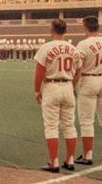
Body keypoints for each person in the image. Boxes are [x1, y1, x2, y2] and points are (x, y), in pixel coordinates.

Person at [34, 18, 82, 172]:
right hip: (67, 86)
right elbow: (79, 71)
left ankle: (54, 162)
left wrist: (37, 90)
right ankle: (70, 159)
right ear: (65, 31)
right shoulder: (73, 48)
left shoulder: (47, 47)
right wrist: (71, 84)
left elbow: (39, 71)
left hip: (52, 86)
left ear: (51, 30)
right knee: (69, 125)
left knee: (51, 126)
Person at [75, 16, 102, 164]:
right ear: (98, 27)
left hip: (89, 79)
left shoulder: (83, 44)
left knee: (87, 120)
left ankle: (88, 155)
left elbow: (78, 67)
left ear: (85, 28)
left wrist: (73, 84)